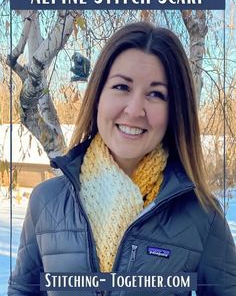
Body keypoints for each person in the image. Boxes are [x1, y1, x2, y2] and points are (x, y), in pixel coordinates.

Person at [8, 22, 236, 296]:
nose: (135, 109)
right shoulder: (46, 202)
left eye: (155, 94)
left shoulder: (202, 214)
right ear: (98, 96)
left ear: (175, 109)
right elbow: (24, 290)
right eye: (121, 87)